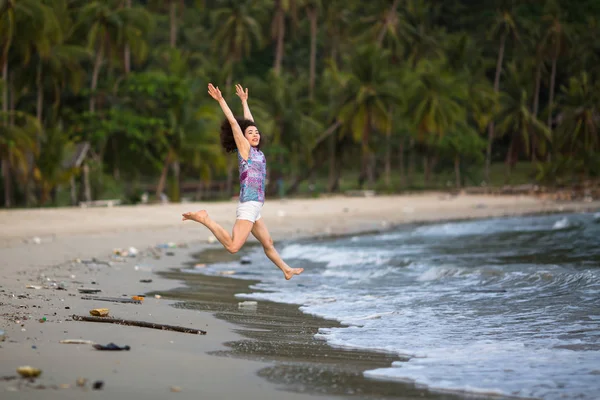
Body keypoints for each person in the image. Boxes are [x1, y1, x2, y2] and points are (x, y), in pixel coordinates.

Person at [182, 83, 304, 280]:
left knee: (268, 243)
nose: (255, 134)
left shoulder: (256, 151)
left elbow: (249, 124)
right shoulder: (245, 151)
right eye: (250, 134)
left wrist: (244, 102)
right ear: (242, 139)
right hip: (249, 205)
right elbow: (235, 124)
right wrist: (221, 100)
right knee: (232, 246)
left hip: (256, 207)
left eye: (257, 132)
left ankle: (286, 269)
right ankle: (205, 219)